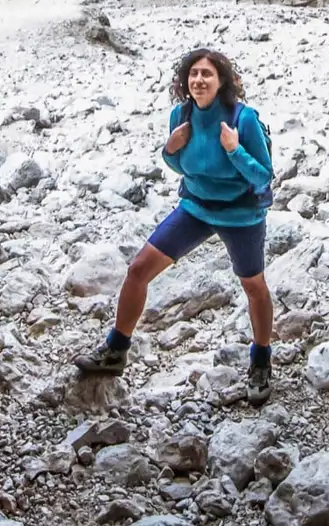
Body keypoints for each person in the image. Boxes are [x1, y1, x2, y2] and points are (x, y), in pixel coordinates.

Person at [74, 47, 276, 404]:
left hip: (241, 215)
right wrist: (169, 150)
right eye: (193, 74)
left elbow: (263, 176)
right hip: (195, 207)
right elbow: (183, 166)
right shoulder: (180, 116)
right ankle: (116, 350)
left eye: (207, 74)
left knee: (253, 287)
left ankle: (261, 361)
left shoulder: (243, 120)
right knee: (138, 269)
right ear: (185, 81)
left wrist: (234, 150)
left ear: (222, 81)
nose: (199, 80)